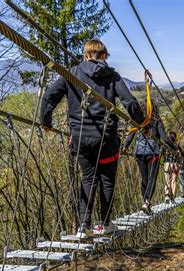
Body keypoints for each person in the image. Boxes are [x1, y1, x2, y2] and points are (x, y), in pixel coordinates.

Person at [40, 40, 145, 238]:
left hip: (80, 139)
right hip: (106, 140)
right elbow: (129, 103)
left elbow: (49, 96)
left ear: (85, 56)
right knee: (107, 180)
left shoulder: (71, 74)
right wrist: (141, 123)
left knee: (88, 178)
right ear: (104, 56)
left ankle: (83, 226)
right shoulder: (113, 76)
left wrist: (46, 122)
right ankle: (105, 224)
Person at [124, 109, 177, 214]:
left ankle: (145, 203)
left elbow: (131, 133)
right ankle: (146, 202)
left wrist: (125, 146)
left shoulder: (138, 119)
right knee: (151, 179)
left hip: (139, 153)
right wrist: (175, 148)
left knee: (144, 179)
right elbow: (165, 139)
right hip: (153, 154)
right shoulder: (156, 120)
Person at [163, 131, 179, 204]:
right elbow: (180, 156)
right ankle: (172, 197)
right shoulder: (176, 146)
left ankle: (167, 195)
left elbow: (162, 152)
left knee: (167, 180)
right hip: (175, 164)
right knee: (174, 181)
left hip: (167, 163)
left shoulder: (165, 144)